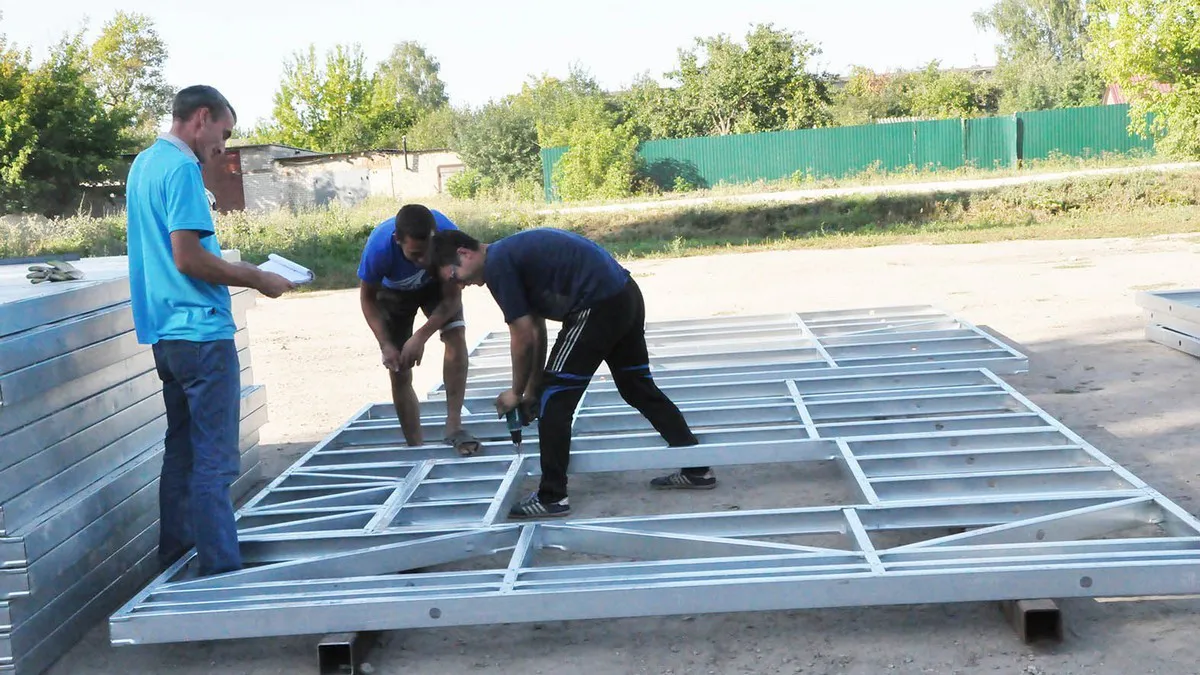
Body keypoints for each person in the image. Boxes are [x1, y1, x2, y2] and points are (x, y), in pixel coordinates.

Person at [125, 85, 296, 577]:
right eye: (224, 132)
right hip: (200, 332)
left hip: (166, 334)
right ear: (202, 118)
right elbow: (189, 258)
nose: (223, 146)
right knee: (214, 461)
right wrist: (256, 277)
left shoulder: (144, 165)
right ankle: (220, 571)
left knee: (181, 450)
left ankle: (176, 556)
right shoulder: (182, 168)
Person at [430, 227, 715, 518]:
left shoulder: (498, 266)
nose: (460, 284)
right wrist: (531, 390)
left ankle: (552, 497)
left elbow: (523, 336)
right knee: (637, 387)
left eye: (454, 275)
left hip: (596, 306)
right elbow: (536, 329)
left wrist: (516, 393)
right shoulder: (509, 254)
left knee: (555, 399)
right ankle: (697, 468)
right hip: (624, 294)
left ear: (464, 253)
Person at [357, 204, 478, 455]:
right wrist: (385, 344)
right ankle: (415, 445)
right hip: (394, 294)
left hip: (436, 287)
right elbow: (367, 300)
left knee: (455, 336)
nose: (422, 261)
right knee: (398, 366)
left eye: (427, 252)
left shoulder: (447, 235)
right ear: (397, 240)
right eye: (414, 254)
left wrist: (421, 336)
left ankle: (454, 426)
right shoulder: (379, 249)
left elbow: (452, 299)